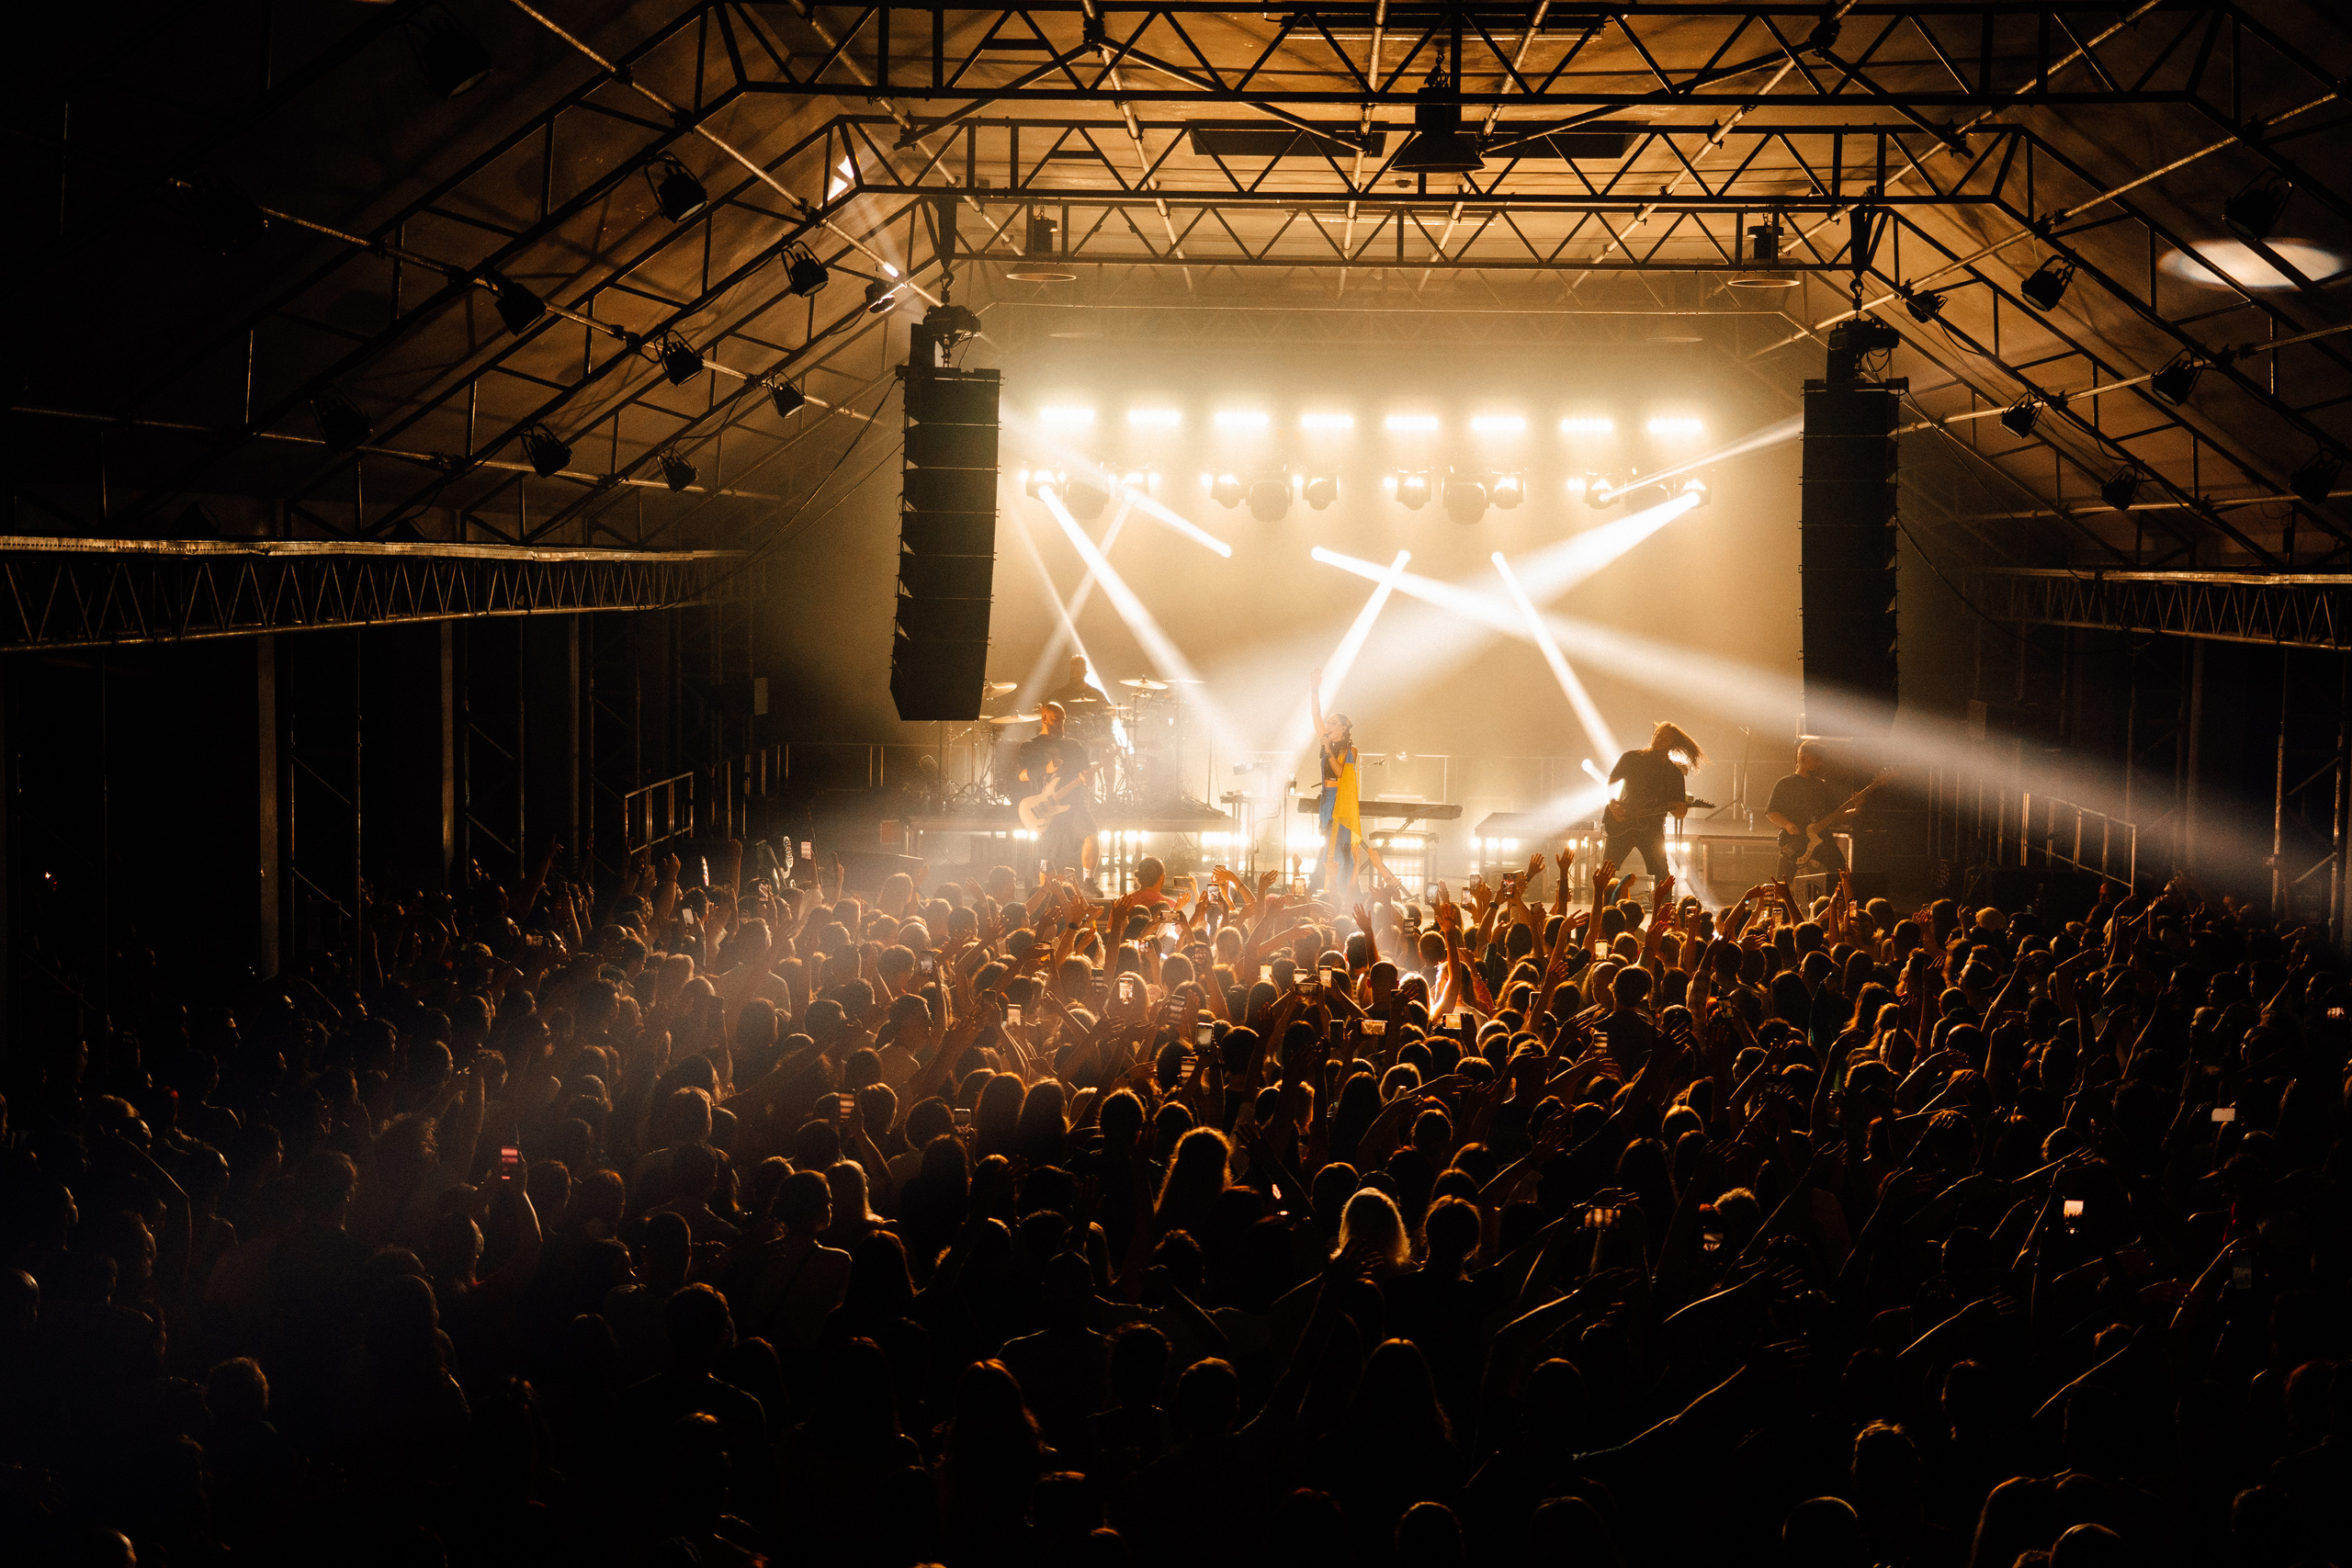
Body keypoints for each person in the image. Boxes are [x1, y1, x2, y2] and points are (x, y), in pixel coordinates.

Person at [1602, 721, 1703, 883]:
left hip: (1652, 828)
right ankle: (1604, 908)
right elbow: (1612, 781)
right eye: (1658, 735)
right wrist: (1612, 804)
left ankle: (1663, 907)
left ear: (1673, 744)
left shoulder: (1674, 773)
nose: (1658, 739)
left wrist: (1681, 809)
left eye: (1665, 737)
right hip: (1624, 822)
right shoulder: (1632, 757)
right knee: (1606, 871)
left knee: (1663, 874)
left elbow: (1678, 813)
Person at [1015, 700, 1099, 885]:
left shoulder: (1074, 746)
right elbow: (1022, 775)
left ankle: (1089, 884)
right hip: (1045, 807)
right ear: (1044, 719)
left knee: (1092, 836)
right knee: (1046, 858)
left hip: (1075, 804)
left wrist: (1088, 779)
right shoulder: (1031, 746)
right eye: (1056, 720)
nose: (1060, 725)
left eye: (1063, 720)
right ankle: (1046, 893)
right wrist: (1046, 768)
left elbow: (1088, 777)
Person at [1307, 669, 1363, 894]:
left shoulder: (1350, 749)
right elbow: (1315, 716)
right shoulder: (1325, 740)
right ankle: (1324, 884)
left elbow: (1341, 774)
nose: (1328, 726)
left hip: (1340, 800)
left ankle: (1338, 886)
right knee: (1326, 840)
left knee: (1336, 843)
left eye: (1333, 723)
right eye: (1328, 723)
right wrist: (1314, 689)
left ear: (1343, 728)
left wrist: (1329, 750)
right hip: (1326, 799)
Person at [1766, 739, 1847, 880]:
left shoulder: (1822, 786)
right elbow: (1771, 812)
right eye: (1815, 759)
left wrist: (1855, 810)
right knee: (1782, 881)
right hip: (1796, 840)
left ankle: (1842, 900)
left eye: (1819, 759)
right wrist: (1787, 824)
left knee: (1841, 871)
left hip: (1821, 838)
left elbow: (1836, 815)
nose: (1818, 763)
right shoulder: (1785, 783)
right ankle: (1779, 901)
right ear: (1802, 759)